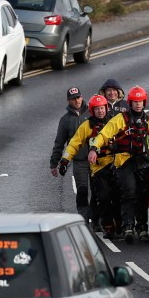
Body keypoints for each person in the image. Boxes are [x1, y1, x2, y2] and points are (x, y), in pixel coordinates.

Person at [88, 85, 149, 243]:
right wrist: (94, 148)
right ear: (130, 102)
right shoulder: (121, 119)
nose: (138, 104)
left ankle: (142, 228)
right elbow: (105, 133)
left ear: (144, 102)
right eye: (135, 101)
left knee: (142, 196)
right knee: (128, 192)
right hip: (124, 161)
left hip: (142, 162)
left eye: (140, 101)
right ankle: (128, 226)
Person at [58, 95, 120, 237]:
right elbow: (74, 143)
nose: (100, 111)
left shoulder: (114, 122)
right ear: (92, 110)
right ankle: (105, 224)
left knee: (117, 195)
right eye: (97, 109)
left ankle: (119, 224)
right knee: (101, 195)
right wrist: (64, 161)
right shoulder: (87, 126)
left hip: (115, 164)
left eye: (102, 108)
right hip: (97, 167)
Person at [50, 87, 91, 223]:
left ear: (82, 97)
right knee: (82, 190)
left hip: (97, 160)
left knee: (98, 191)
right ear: (69, 101)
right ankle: (84, 219)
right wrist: (54, 163)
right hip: (79, 161)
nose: (77, 101)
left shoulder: (92, 112)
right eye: (73, 99)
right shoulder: (65, 120)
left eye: (78, 97)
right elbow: (59, 142)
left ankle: (98, 220)